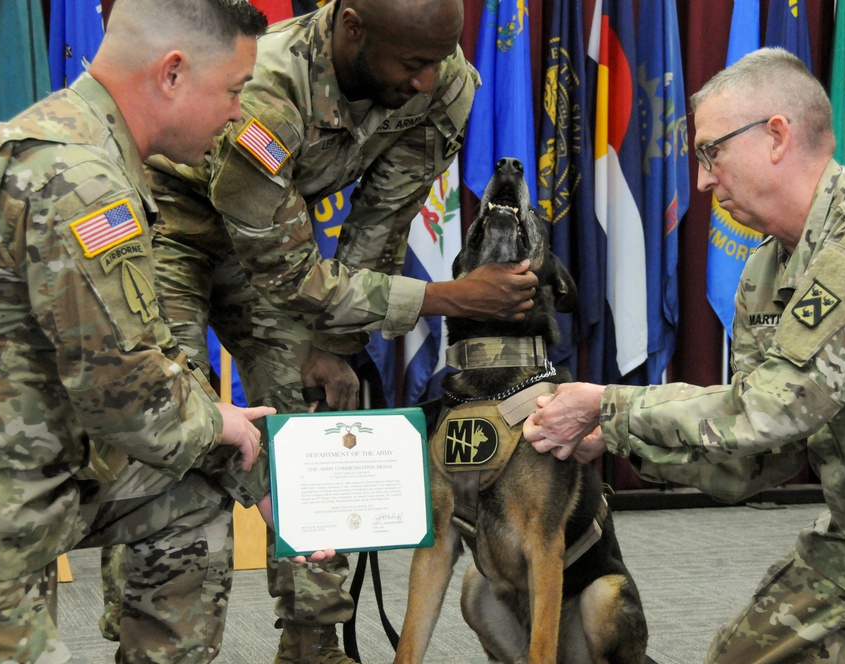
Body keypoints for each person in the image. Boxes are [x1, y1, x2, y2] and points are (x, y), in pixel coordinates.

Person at [523, 47, 845, 664]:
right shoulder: (768, 270)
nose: (703, 180)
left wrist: (609, 406)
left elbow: (769, 410)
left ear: (775, 136)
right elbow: (758, 456)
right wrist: (616, 438)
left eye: (711, 152)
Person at [124, 1, 539, 662]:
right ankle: (161, 645)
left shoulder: (442, 78)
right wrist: (445, 296)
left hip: (274, 237)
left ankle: (313, 644)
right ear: (353, 27)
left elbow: (383, 217)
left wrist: (337, 345)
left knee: (314, 421)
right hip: (173, 226)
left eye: (437, 61)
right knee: (181, 432)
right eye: (412, 63)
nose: (428, 81)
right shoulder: (268, 85)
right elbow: (288, 274)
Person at [0, 1, 334, 662]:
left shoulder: (84, 141)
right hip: (4, 502)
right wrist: (224, 428)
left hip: (41, 456)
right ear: (172, 73)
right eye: (233, 90)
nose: (239, 113)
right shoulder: (80, 181)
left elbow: (135, 355)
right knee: (208, 451)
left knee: (194, 490)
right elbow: (124, 391)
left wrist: (227, 447)